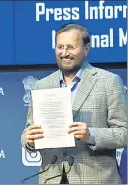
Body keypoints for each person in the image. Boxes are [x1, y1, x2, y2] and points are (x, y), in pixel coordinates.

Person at [21, 23, 127, 184]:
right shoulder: (42, 85)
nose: (64, 53)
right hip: (52, 178)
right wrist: (29, 140)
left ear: (86, 49)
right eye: (60, 47)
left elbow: (124, 133)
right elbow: (27, 131)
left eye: (71, 47)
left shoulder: (109, 82)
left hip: (97, 179)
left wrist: (90, 135)